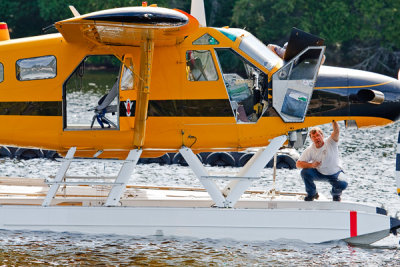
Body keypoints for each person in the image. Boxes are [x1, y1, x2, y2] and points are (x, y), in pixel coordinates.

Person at [296, 120, 347, 201]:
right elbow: (298, 164)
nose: (316, 138)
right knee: (304, 172)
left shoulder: (331, 142)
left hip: (335, 174)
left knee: (343, 184)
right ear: (311, 139)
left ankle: (336, 195)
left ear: (322, 135)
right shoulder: (310, 149)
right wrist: (311, 165)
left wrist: (333, 120)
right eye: (313, 137)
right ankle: (312, 194)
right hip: (319, 173)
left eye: (318, 135)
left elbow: (336, 131)